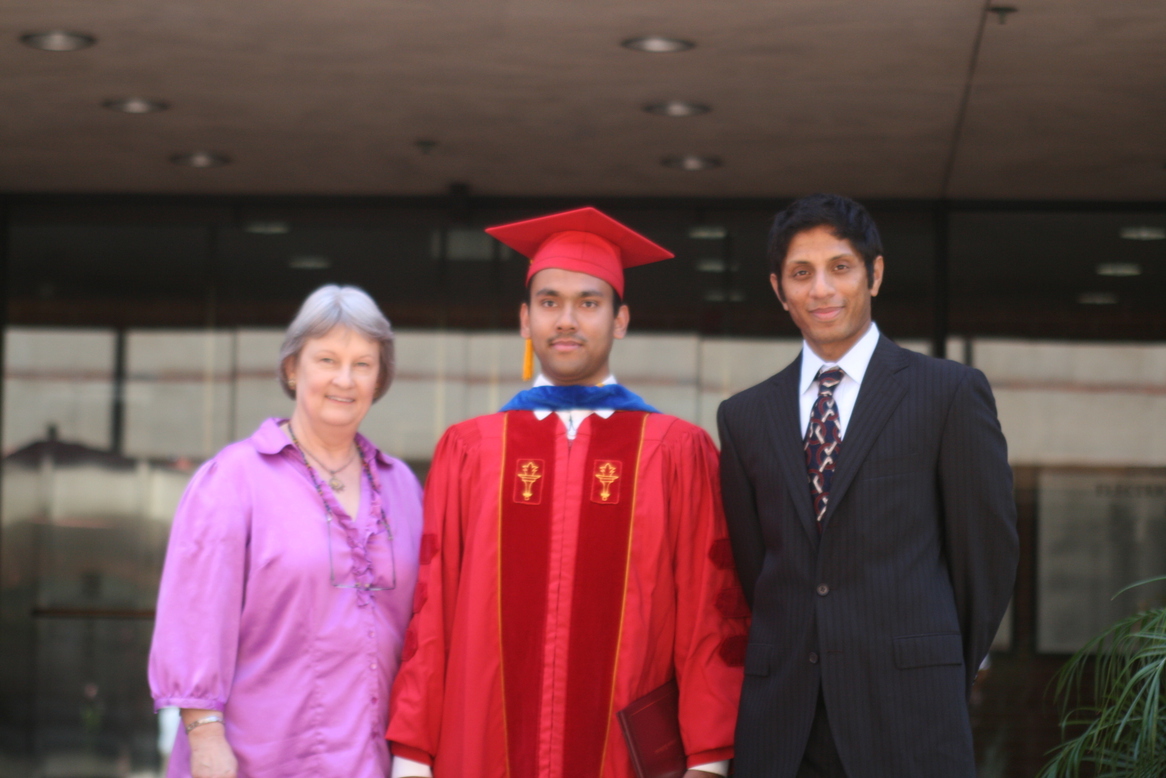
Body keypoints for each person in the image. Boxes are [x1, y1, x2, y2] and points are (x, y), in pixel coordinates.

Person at [387, 207, 748, 778]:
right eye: (550, 302)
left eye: (589, 302)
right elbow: (432, 611)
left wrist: (708, 760)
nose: (567, 319)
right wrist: (412, 754)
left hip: (629, 755)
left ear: (620, 320)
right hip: (481, 747)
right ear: (525, 320)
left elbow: (710, 613)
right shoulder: (471, 450)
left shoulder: (677, 451)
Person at [717, 194, 1018, 778]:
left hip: (908, 716)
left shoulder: (948, 394)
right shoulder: (745, 416)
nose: (821, 290)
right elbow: (756, 568)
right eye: (801, 274)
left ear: (874, 274)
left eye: (841, 267)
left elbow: (987, 555)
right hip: (784, 723)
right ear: (779, 289)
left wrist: (931, 665)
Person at [148, 285, 423, 778]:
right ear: (293, 368)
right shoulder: (234, 478)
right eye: (327, 359)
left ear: (380, 377)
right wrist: (206, 737)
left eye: (364, 363)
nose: (345, 379)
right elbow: (193, 621)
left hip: (376, 758)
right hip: (260, 757)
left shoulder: (402, 486)